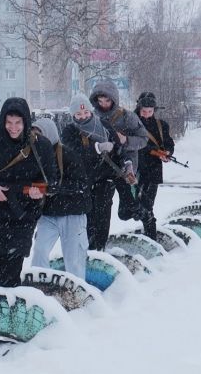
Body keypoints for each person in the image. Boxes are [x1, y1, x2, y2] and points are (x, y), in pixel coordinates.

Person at [0, 97, 54, 288]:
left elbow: (50, 180)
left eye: (18, 122)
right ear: (2, 121)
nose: (13, 127)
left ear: (26, 122)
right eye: (9, 122)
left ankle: (6, 315)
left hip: (20, 218)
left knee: (10, 278)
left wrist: (37, 191)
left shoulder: (40, 146)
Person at [86, 81, 148, 250]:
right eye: (100, 101)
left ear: (114, 99)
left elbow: (143, 139)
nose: (104, 104)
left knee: (127, 206)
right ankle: (95, 246)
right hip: (100, 170)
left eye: (107, 101)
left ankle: (138, 213)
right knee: (96, 212)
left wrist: (125, 140)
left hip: (123, 166)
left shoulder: (127, 117)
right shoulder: (91, 118)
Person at [29, 115, 91, 280]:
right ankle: (38, 286)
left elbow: (82, 185)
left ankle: (78, 294)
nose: (36, 138)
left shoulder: (68, 155)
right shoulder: (32, 156)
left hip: (72, 214)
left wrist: (57, 188)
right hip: (48, 215)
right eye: (33, 134)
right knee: (40, 251)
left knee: (74, 260)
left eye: (39, 134)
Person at [135, 92, 174, 238]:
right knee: (134, 205)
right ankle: (149, 232)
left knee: (148, 204)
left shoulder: (161, 125)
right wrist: (151, 150)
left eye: (149, 111)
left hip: (153, 170)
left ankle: (151, 234)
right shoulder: (132, 123)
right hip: (136, 168)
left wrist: (167, 153)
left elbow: (169, 142)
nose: (146, 114)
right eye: (143, 111)